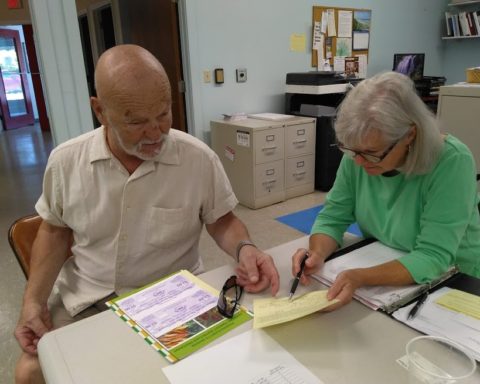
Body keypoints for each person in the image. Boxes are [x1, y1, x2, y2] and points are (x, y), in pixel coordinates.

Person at [14, 44, 280, 383]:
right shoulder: (67, 162)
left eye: (163, 115)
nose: (155, 133)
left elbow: (222, 220)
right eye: (137, 122)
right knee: (30, 372)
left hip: (173, 298)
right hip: (88, 299)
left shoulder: (196, 158)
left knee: (232, 360)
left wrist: (247, 248)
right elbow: (53, 232)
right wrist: (33, 302)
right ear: (100, 111)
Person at [291, 71, 480, 311]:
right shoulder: (359, 152)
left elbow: (433, 256)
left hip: (454, 281)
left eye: (371, 153)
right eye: (351, 150)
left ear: (410, 134)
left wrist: (361, 277)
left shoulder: (451, 161)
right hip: (385, 258)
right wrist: (316, 253)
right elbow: (332, 217)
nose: (358, 162)